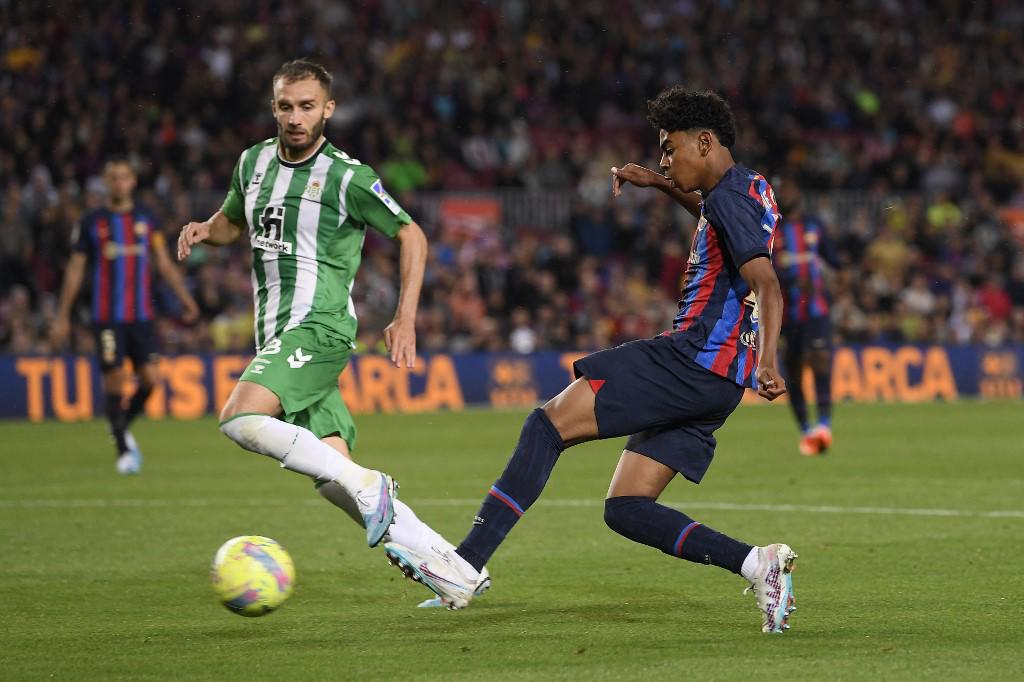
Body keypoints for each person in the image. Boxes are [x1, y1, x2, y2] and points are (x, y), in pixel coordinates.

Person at [384, 87, 799, 634]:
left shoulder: (726, 199)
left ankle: (465, 564)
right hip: (719, 381)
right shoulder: (750, 188)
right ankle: (757, 563)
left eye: (669, 149)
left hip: (692, 359)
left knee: (547, 424)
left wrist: (770, 360)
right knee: (626, 507)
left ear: (705, 141)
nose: (664, 160)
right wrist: (662, 187)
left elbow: (766, 284)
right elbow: (720, 218)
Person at [175, 60, 490, 591]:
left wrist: (405, 316)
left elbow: (411, 235)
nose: (296, 117)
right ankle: (455, 573)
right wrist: (207, 229)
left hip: (317, 327)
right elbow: (235, 221)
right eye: (285, 106)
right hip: (277, 332)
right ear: (273, 107)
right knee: (331, 476)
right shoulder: (252, 162)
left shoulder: (347, 176)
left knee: (241, 419)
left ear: (328, 109)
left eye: (307, 106)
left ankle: (372, 484)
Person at [51, 157, 200, 475]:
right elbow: (76, 268)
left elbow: (163, 262)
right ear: (106, 182)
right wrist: (62, 315)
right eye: (113, 178)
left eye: (124, 177)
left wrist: (186, 298)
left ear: (133, 181)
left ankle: (119, 426)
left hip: (142, 316)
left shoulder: (147, 218)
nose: (119, 183)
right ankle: (123, 451)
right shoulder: (92, 221)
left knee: (151, 380)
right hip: (107, 316)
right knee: (116, 379)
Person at [772, 174, 839, 456]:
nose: (786, 193)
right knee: (795, 372)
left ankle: (824, 424)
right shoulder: (771, 229)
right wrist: (790, 281)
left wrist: (836, 281)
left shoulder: (815, 225)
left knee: (821, 359)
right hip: (787, 314)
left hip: (816, 309)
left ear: (798, 191)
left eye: (789, 187)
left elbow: (833, 261)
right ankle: (805, 430)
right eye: (781, 189)